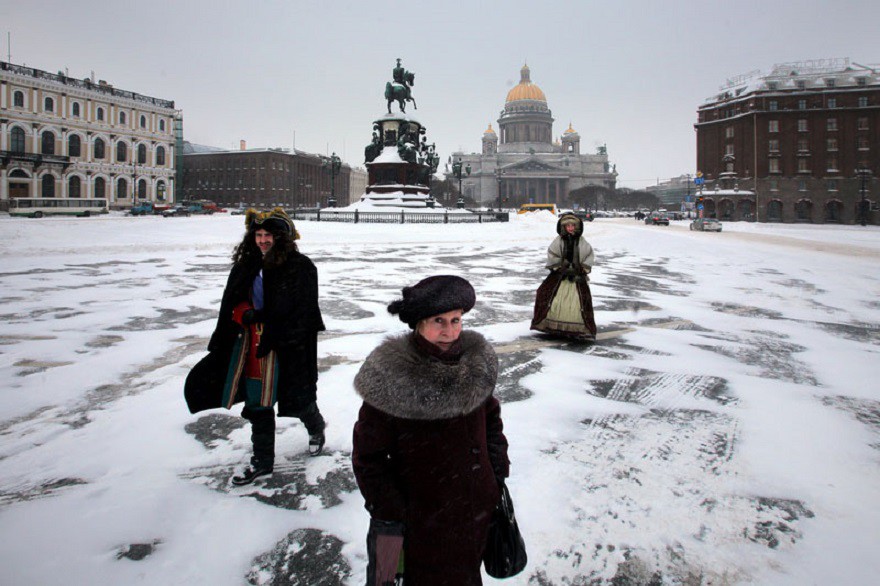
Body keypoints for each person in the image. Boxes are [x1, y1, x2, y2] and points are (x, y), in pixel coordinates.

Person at [352, 275, 510, 585]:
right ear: (418, 323)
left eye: (456, 320)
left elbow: (491, 418)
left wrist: (495, 471)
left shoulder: (472, 363)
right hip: (423, 526)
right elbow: (367, 457)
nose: (450, 332)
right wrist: (395, 510)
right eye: (439, 321)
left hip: (475, 512)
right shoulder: (392, 376)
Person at [184, 207, 327, 486]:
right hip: (250, 343)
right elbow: (231, 302)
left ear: (282, 237)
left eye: (268, 235)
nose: (262, 240)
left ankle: (315, 427)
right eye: (258, 235)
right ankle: (262, 461)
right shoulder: (245, 266)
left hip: (287, 345)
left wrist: (265, 318)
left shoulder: (301, 266)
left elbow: (305, 311)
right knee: (257, 401)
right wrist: (240, 315)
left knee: (298, 398)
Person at [530, 212, 597, 340]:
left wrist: (582, 268)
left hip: (577, 275)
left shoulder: (582, 242)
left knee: (581, 302)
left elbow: (589, 254)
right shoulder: (559, 240)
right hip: (560, 274)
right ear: (564, 227)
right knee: (543, 293)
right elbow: (552, 253)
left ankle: (579, 327)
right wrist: (560, 266)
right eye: (568, 226)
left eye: (573, 225)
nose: (570, 228)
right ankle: (549, 325)